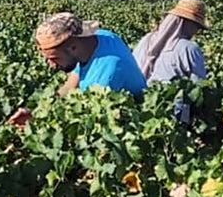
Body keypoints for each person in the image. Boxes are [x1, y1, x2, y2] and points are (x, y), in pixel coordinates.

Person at [8, 11, 145, 126]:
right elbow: (69, 87)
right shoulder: (100, 38)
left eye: (54, 58)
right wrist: (35, 111)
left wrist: (38, 122)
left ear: (73, 47)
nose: (51, 65)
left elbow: (87, 123)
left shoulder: (105, 78)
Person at [132, 0, 208, 82]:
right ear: (187, 24)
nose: (196, 31)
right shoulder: (189, 48)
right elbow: (199, 85)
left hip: (143, 93)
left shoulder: (147, 40)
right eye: (196, 26)